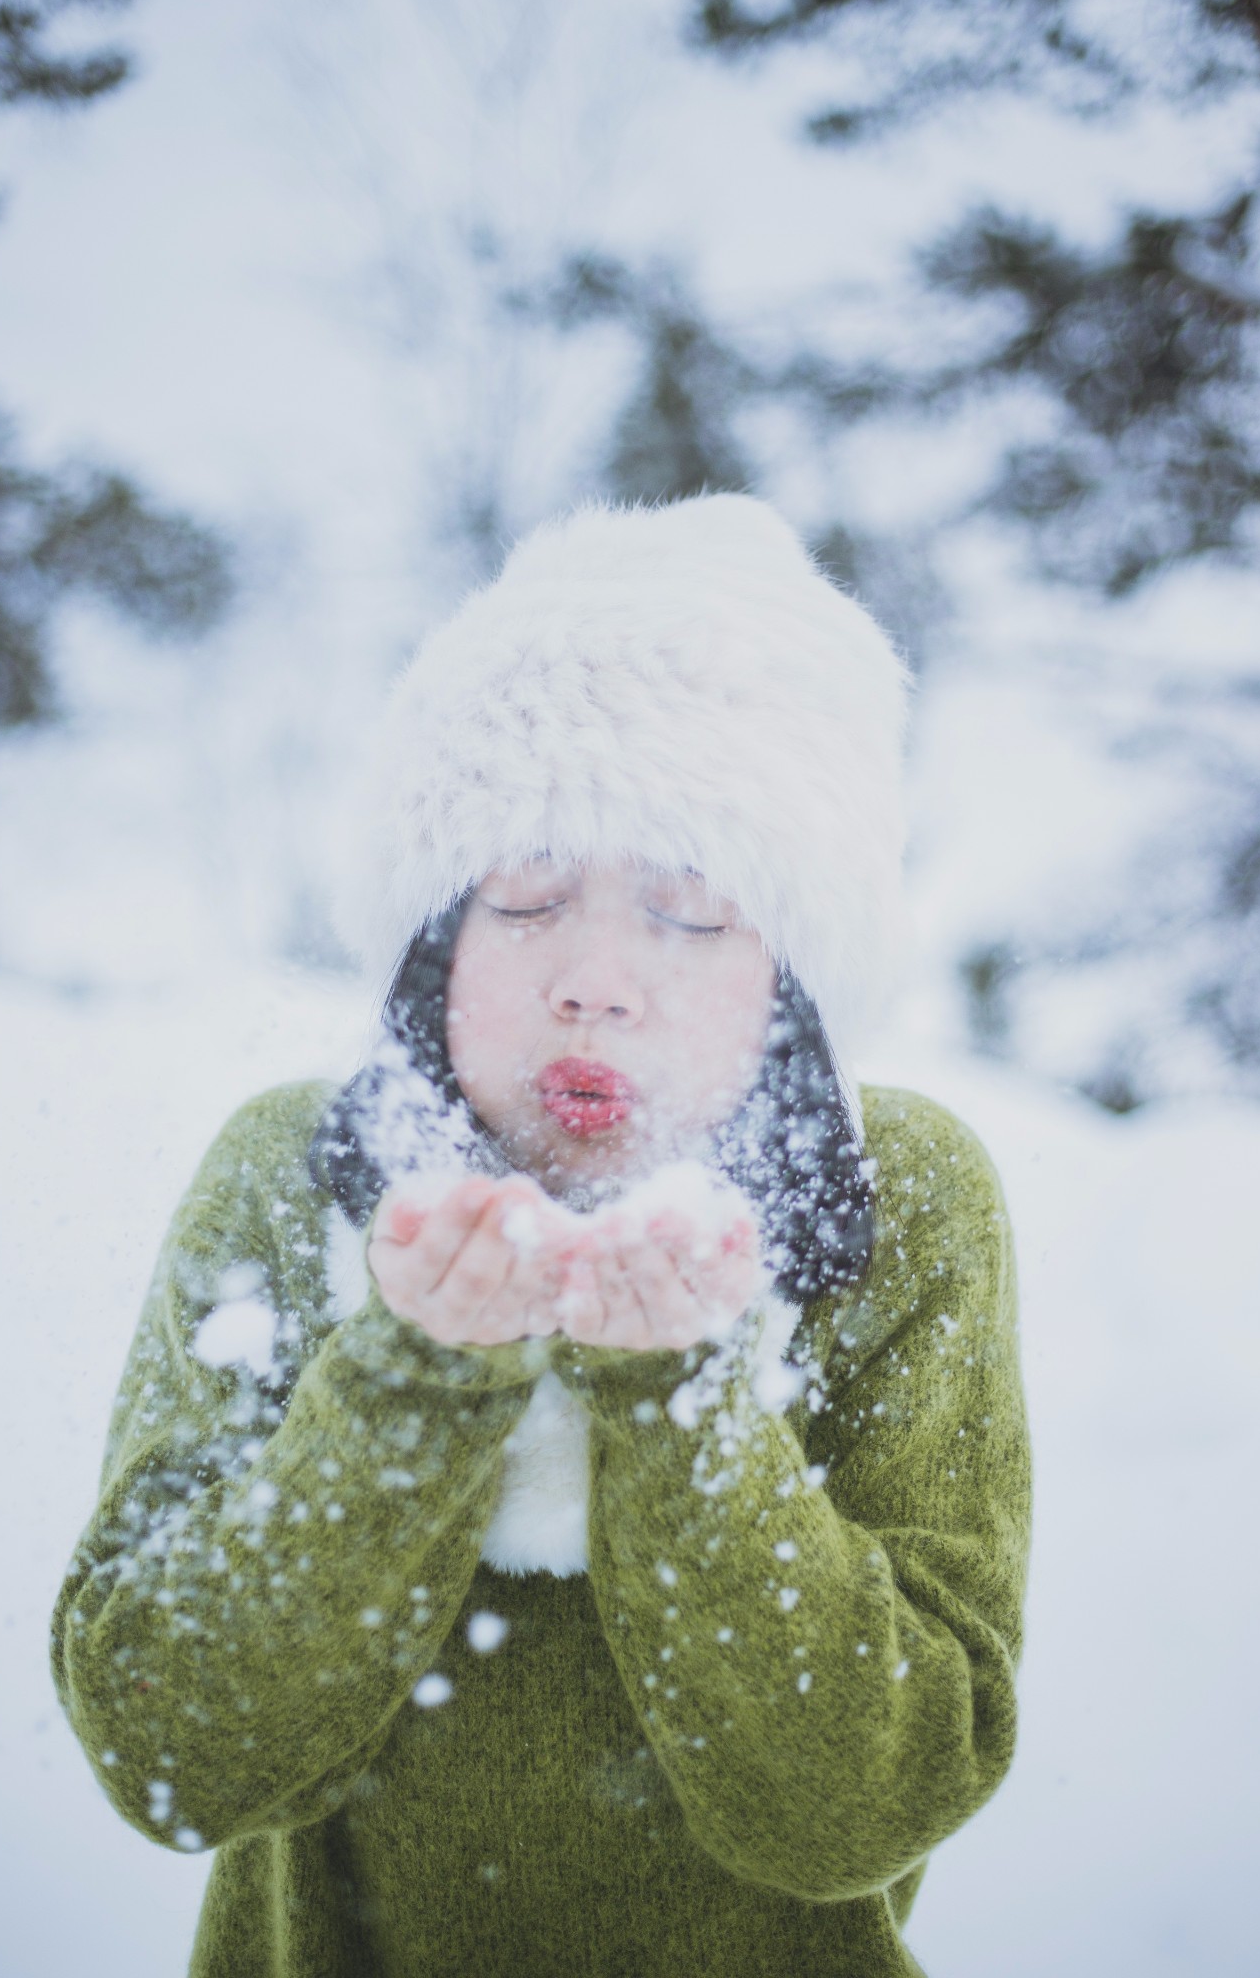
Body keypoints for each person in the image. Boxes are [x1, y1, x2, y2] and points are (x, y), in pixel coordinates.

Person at [51, 494, 1031, 1978]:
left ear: (794, 978)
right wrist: (412, 1376)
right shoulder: (293, 1177)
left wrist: (684, 1399)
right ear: (434, 937)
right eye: (525, 896)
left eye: (690, 913)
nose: (596, 980)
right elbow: (174, 1752)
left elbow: (861, 1805)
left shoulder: (895, 1204)